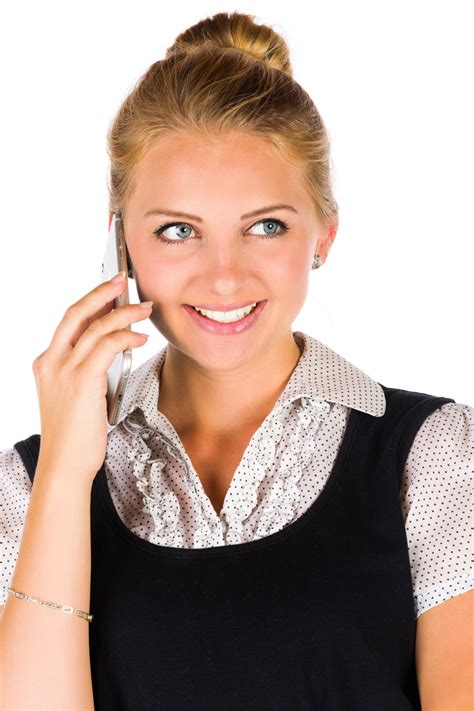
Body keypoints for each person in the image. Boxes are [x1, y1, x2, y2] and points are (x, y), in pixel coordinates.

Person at [1, 11, 472, 710]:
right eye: (178, 230)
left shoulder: (430, 454)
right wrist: (68, 472)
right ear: (120, 244)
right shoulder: (30, 484)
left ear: (324, 232)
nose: (224, 276)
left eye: (266, 225)